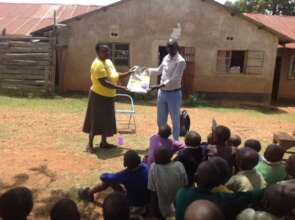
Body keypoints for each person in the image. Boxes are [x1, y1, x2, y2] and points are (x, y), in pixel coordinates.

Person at [83, 43, 134, 153]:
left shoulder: (108, 61)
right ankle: (89, 144)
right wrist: (121, 87)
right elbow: (104, 83)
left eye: (108, 51)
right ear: (98, 52)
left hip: (109, 96)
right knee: (95, 119)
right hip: (98, 96)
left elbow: (115, 75)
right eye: (104, 51)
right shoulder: (97, 65)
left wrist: (128, 73)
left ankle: (104, 142)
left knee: (106, 119)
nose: (107, 53)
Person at [175, 160, 265, 220]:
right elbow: (250, 196)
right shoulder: (224, 199)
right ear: (219, 184)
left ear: (195, 177)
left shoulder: (181, 193)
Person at [79, 150, 149, 209]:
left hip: (133, 203)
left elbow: (104, 177)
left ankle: (89, 193)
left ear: (126, 163)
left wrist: (104, 175)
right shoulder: (146, 168)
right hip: (147, 201)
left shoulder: (126, 174)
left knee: (108, 181)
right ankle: (89, 193)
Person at [148, 39, 186, 140]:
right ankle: (162, 139)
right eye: (168, 47)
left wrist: (158, 86)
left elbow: (175, 78)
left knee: (175, 119)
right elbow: (158, 70)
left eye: (172, 47)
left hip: (174, 94)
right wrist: (144, 70)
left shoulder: (180, 61)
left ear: (177, 48)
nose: (169, 49)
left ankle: (175, 141)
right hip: (162, 93)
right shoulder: (166, 57)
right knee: (160, 119)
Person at [148, 146, 188, 219]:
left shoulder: (154, 168)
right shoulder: (179, 165)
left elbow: (152, 191)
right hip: (179, 204)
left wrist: (153, 210)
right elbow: (186, 184)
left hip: (163, 207)